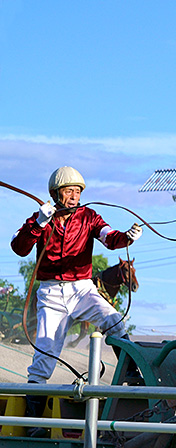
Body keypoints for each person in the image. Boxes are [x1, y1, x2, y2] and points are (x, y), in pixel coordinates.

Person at [11, 167, 142, 424]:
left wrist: (126, 238)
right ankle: (32, 421)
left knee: (115, 320)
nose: (74, 196)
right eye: (69, 190)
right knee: (44, 357)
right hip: (50, 294)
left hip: (83, 289)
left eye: (78, 191)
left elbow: (109, 236)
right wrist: (38, 223)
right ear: (56, 194)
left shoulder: (90, 216)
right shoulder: (39, 219)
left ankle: (132, 373)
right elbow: (19, 248)